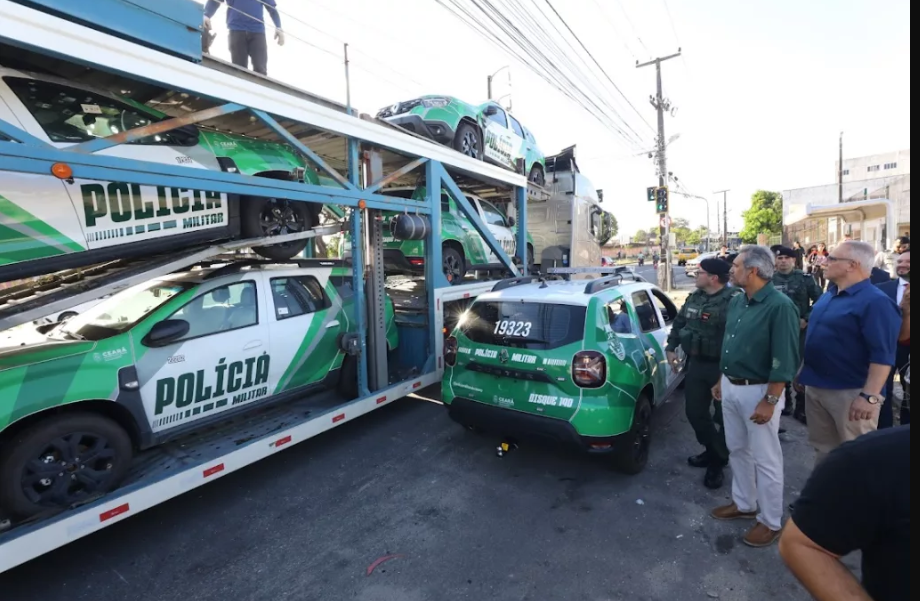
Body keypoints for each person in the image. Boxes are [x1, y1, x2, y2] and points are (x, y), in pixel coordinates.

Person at [709, 245, 799, 547]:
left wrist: (771, 400)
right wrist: (723, 379)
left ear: (753, 271)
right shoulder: (738, 301)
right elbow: (731, 345)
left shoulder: (780, 306)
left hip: (760, 391)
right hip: (733, 387)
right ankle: (744, 504)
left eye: (735, 266)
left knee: (766, 459)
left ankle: (771, 521)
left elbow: (784, 359)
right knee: (737, 449)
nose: (730, 270)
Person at [795, 241, 900, 463]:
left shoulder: (876, 302)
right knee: (824, 452)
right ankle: (828, 497)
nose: (824, 261)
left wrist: (869, 396)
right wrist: (804, 370)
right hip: (817, 386)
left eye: (832, 258)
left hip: (850, 393)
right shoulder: (829, 294)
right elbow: (818, 338)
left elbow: (883, 355)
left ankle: (858, 499)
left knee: (856, 459)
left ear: (852, 265)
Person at [779, 426, 908, 601]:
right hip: (827, 402)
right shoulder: (871, 458)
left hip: (850, 403)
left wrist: (869, 398)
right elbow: (803, 544)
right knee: (824, 449)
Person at [666, 258, 741, 489]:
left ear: (713, 278)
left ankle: (717, 462)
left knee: (723, 418)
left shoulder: (734, 301)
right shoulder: (695, 297)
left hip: (723, 367)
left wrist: (725, 372)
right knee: (695, 412)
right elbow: (679, 323)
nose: (695, 275)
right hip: (697, 364)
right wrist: (670, 347)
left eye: (699, 272)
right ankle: (714, 451)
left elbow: (738, 337)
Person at [772, 246, 823, 423]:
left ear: (794, 260)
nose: (783, 261)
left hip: (799, 329)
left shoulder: (805, 279)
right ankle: (784, 400)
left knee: (801, 366)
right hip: (776, 329)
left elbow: (820, 300)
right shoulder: (768, 279)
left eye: (787, 258)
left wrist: (807, 318)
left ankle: (801, 405)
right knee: (779, 363)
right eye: (780, 258)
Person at [204, 0, 285, 76]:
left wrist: (278, 27)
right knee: (239, 70)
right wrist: (206, 15)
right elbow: (214, 1)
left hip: (257, 32)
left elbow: (271, 8)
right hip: (236, 30)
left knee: (260, 69)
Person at [877, 251, 909, 428]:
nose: (902, 264)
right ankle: (883, 432)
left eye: (908, 261)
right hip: (886, 346)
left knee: (909, 394)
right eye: (900, 261)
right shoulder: (883, 288)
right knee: (883, 391)